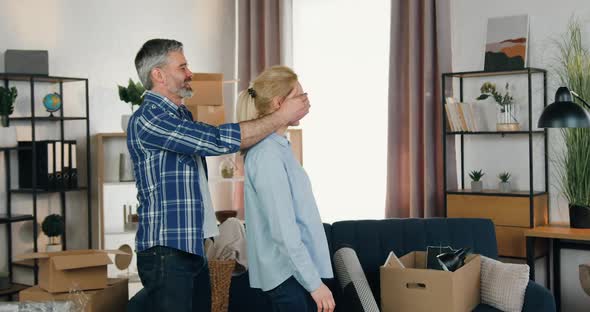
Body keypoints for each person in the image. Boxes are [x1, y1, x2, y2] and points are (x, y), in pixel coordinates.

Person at [126, 39, 309, 312]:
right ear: (158, 74)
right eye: (183, 66)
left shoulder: (180, 116)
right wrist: (280, 116)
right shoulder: (148, 118)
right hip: (167, 249)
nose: (190, 73)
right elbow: (215, 140)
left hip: (190, 246)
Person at [237, 65, 335, 312]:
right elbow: (283, 230)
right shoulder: (267, 155)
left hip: (295, 275)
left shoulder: (278, 147)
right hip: (287, 278)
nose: (306, 100)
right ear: (279, 103)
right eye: (299, 96)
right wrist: (314, 284)